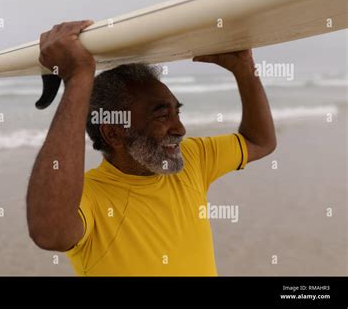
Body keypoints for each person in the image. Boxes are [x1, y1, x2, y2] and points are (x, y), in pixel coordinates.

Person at [26, 20, 276, 276]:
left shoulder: (193, 159)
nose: (180, 129)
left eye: (177, 113)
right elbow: (50, 232)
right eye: (161, 115)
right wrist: (78, 77)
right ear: (113, 132)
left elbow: (260, 141)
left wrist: (245, 69)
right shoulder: (88, 196)